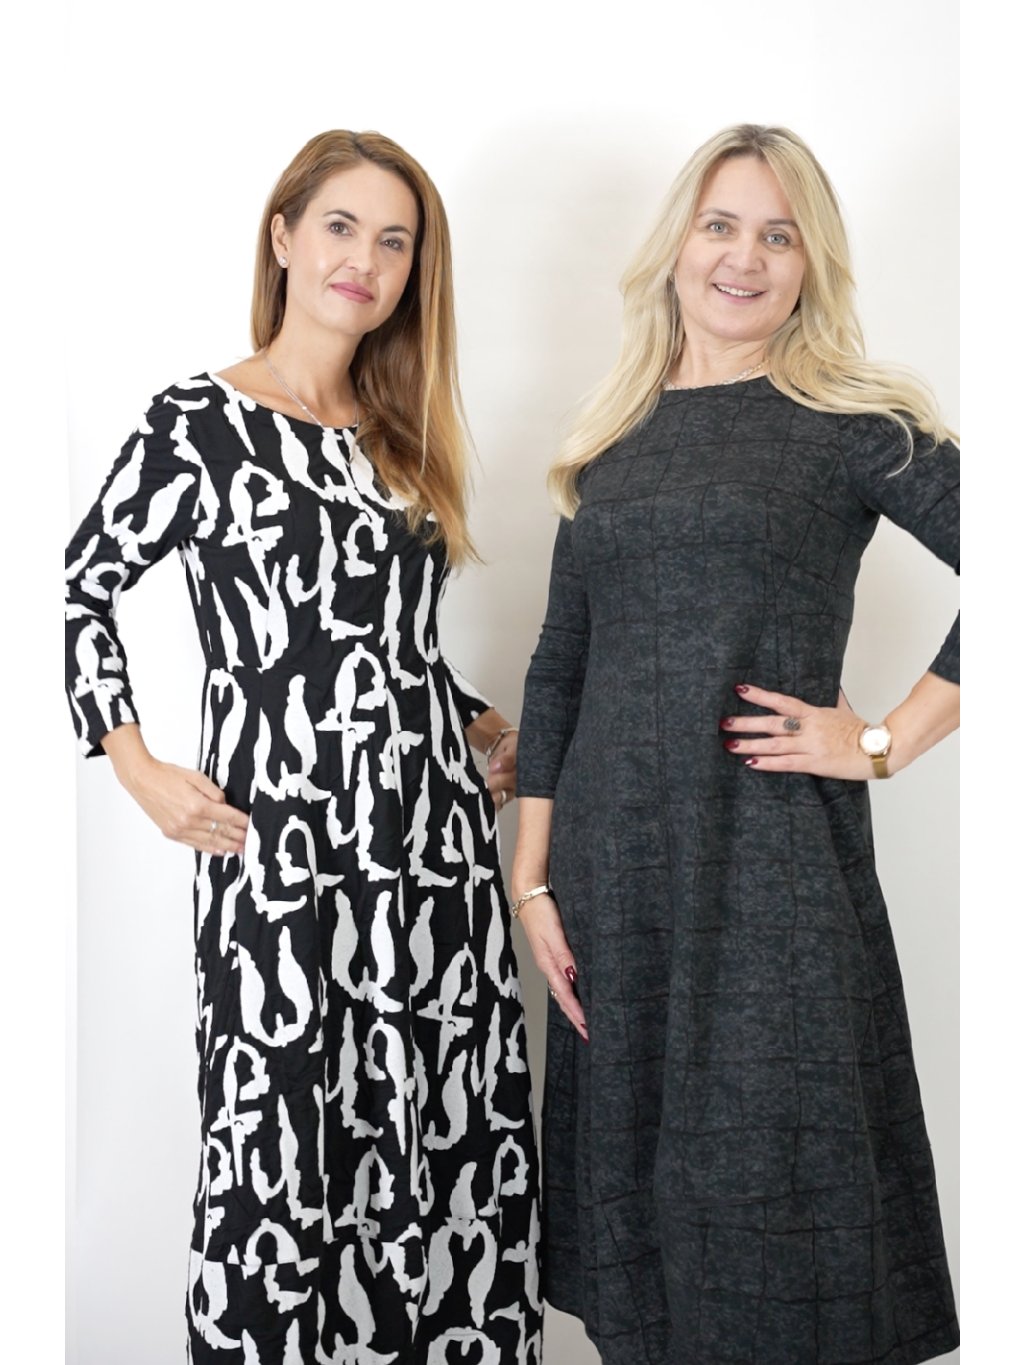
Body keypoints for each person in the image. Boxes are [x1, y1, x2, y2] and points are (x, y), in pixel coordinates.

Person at [65, 130, 541, 1364]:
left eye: (394, 241)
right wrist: (135, 763)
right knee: (277, 1161)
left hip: (432, 858)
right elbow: (75, 590)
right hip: (280, 859)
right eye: (340, 226)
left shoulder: (399, 437)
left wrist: (479, 725)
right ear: (282, 236)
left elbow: (383, 653)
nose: (363, 260)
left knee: (441, 1148)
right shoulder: (198, 423)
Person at [511, 124, 959, 1365]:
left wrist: (882, 740)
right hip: (612, 890)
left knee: (778, 1219)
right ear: (676, 245)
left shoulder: (848, 422)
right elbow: (560, 664)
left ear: (811, 265)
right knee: (639, 1243)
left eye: (778, 235)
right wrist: (532, 880)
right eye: (720, 226)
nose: (743, 258)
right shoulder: (610, 437)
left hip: (769, 881)